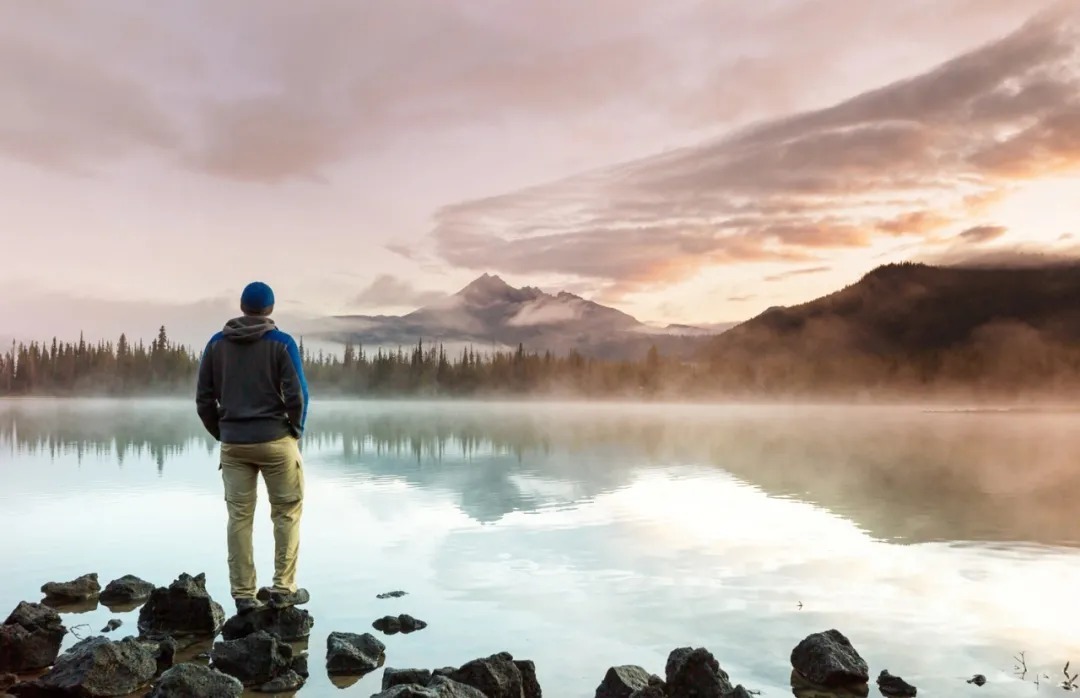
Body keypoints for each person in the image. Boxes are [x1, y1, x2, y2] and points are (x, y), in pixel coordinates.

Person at [195, 281, 311, 614]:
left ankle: (244, 595)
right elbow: (297, 395)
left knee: (239, 519)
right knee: (286, 513)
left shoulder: (216, 344)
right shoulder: (282, 344)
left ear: (243, 307)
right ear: (270, 309)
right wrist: (295, 430)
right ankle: (283, 589)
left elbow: (204, 398)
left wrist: (222, 433)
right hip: (276, 441)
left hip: (234, 445)